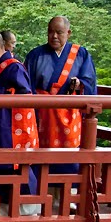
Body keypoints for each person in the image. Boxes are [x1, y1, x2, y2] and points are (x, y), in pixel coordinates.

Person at [0, 30, 40, 215]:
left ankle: (25, 209)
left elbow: (25, 96)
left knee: (15, 167)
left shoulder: (14, 67)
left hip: (11, 132)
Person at [25, 16, 97, 174]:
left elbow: (89, 81)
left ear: (68, 33)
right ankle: (40, 191)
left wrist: (79, 84)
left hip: (69, 114)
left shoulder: (81, 54)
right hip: (42, 115)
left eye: (59, 32)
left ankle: (67, 190)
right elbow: (27, 86)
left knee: (69, 157)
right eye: (51, 32)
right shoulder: (35, 55)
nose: (54, 36)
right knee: (41, 157)